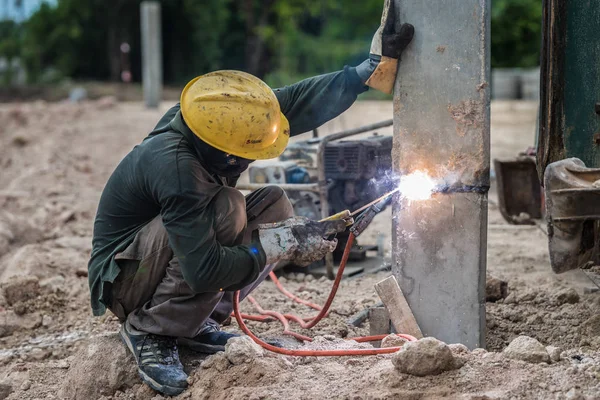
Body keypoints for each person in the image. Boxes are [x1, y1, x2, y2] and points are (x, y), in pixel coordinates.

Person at [87, 2, 414, 395]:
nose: (252, 153)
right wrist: (275, 245)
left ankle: (196, 321)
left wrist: (367, 71)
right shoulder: (175, 168)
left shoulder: (214, 120)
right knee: (228, 208)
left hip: (158, 258)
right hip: (126, 279)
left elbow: (295, 101)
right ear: (222, 149)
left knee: (274, 204)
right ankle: (151, 331)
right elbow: (204, 271)